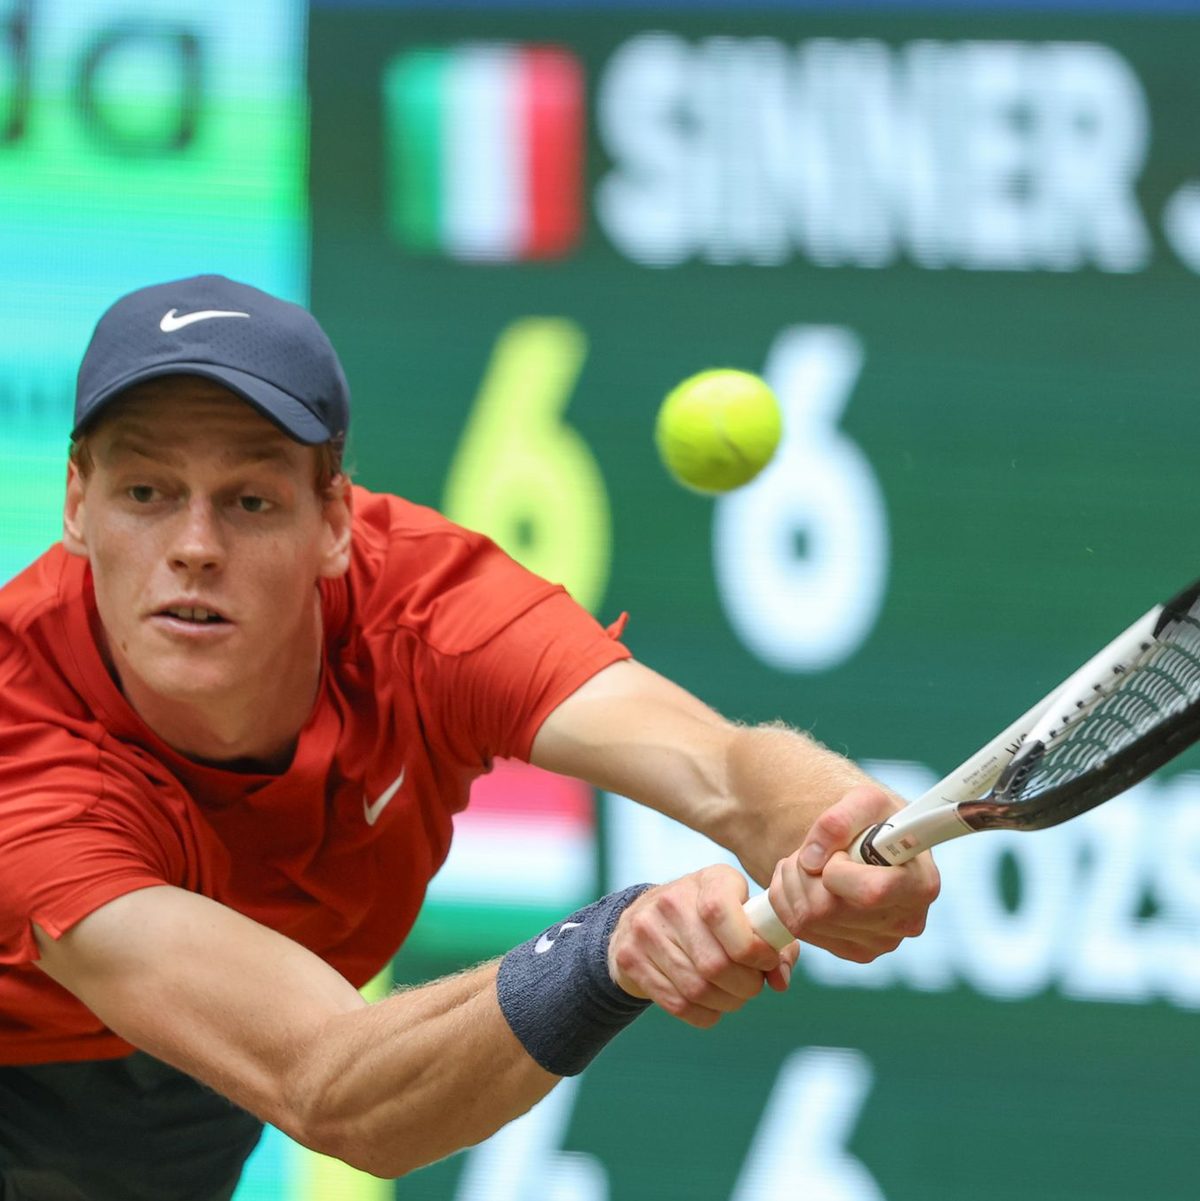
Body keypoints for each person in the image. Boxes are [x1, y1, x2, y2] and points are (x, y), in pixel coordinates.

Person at [0, 275, 938, 1198]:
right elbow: (338, 1089)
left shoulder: (425, 607)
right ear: (77, 505)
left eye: (250, 500)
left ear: (335, 520)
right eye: (146, 491)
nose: (195, 544)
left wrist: (840, 834)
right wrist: (606, 951)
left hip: (174, 1103)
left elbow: (724, 770)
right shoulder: (23, 739)